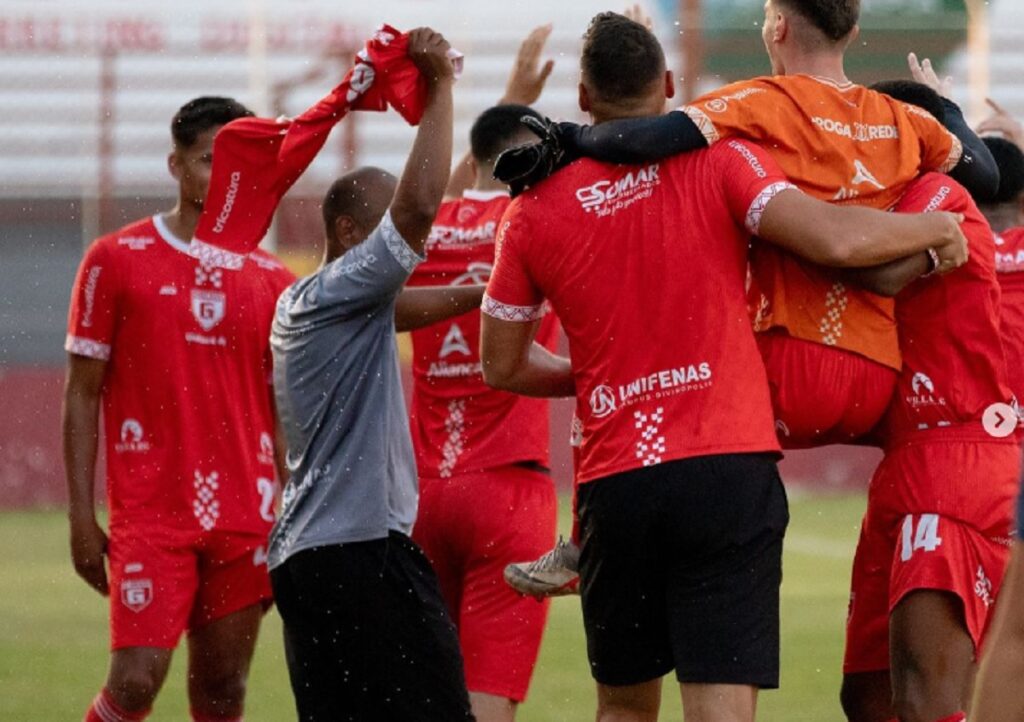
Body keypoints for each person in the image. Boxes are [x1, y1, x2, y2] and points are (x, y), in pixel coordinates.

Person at [479, 13, 968, 722]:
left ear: (584, 100)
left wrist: (602, 373)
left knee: (622, 709)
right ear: (672, 87)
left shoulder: (531, 210)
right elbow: (831, 239)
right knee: (721, 711)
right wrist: (933, 228)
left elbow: (501, 365)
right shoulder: (723, 160)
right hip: (724, 463)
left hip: (616, 481)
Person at [265, 28, 475, 722]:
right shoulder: (335, 293)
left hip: (307, 559)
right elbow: (416, 214)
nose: (407, 249)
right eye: (384, 234)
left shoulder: (317, 304)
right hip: (361, 553)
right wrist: (442, 85)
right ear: (353, 234)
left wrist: (482, 291)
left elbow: (404, 308)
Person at [63, 96, 296, 722]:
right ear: (175, 165)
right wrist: (82, 517)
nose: (222, 178)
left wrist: (293, 508)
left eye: (238, 164)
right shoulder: (114, 260)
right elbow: (82, 393)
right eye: (205, 161)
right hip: (152, 513)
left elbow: (282, 410)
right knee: (135, 682)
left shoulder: (274, 279)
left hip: (250, 513)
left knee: (223, 689)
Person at [407, 103, 562, 721]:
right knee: (486, 703)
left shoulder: (425, 227)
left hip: (419, 493)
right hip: (508, 488)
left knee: (426, 697)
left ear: (473, 159)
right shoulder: (537, 220)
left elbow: (427, 196)